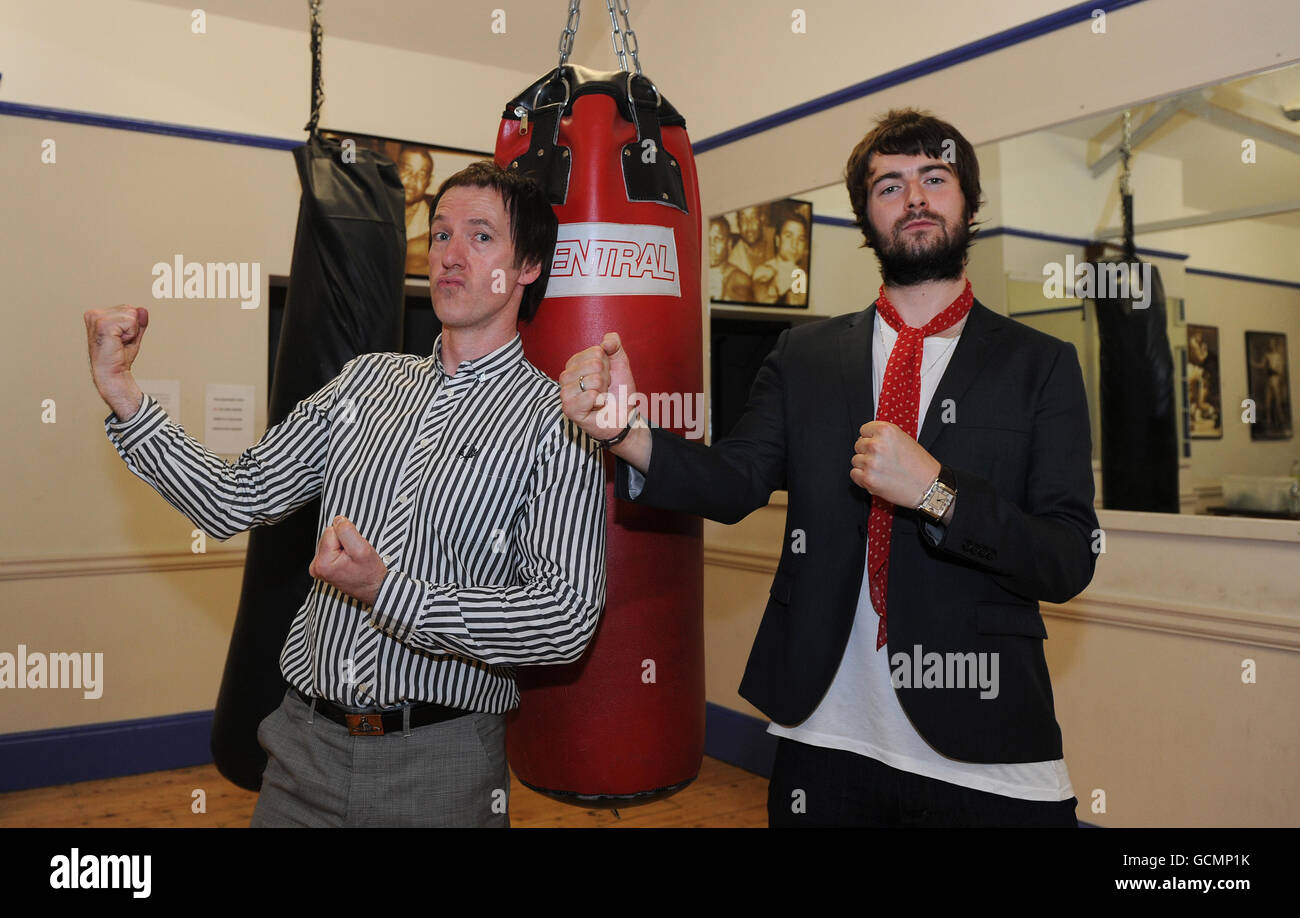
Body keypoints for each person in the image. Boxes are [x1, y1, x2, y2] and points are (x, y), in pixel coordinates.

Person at [560, 109, 1098, 827]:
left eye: (934, 179)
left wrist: (937, 493)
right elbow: (736, 480)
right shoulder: (805, 356)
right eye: (889, 186)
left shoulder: (1041, 365)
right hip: (826, 739)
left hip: (986, 744)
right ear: (865, 216)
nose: (914, 198)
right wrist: (626, 433)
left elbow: (1066, 559)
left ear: (968, 202)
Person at [84, 161, 606, 827]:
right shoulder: (363, 383)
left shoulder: (558, 421)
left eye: (480, 237)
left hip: (440, 768)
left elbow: (563, 619)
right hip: (303, 753)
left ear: (528, 264)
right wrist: (124, 392)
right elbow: (233, 496)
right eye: (440, 235)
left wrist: (390, 593)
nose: (450, 255)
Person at [751, 213, 810, 306]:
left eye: (801, 239)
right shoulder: (765, 271)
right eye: (788, 236)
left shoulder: (804, 278)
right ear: (778, 240)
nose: (794, 245)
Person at [397, 146, 434, 275]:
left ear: (429, 181)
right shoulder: (372, 207)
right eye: (407, 169)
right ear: (395, 171)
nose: (413, 179)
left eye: (422, 174)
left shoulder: (433, 224)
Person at [708, 216, 754, 303]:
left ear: (729, 244)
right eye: (707, 239)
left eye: (717, 239)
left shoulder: (739, 279)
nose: (711, 245)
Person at [727, 205, 775, 278]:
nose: (749, 225)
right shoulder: (736, 261)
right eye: (743, 219)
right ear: (738, 223)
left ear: (762, 219)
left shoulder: (775, 237)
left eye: (753, 217)